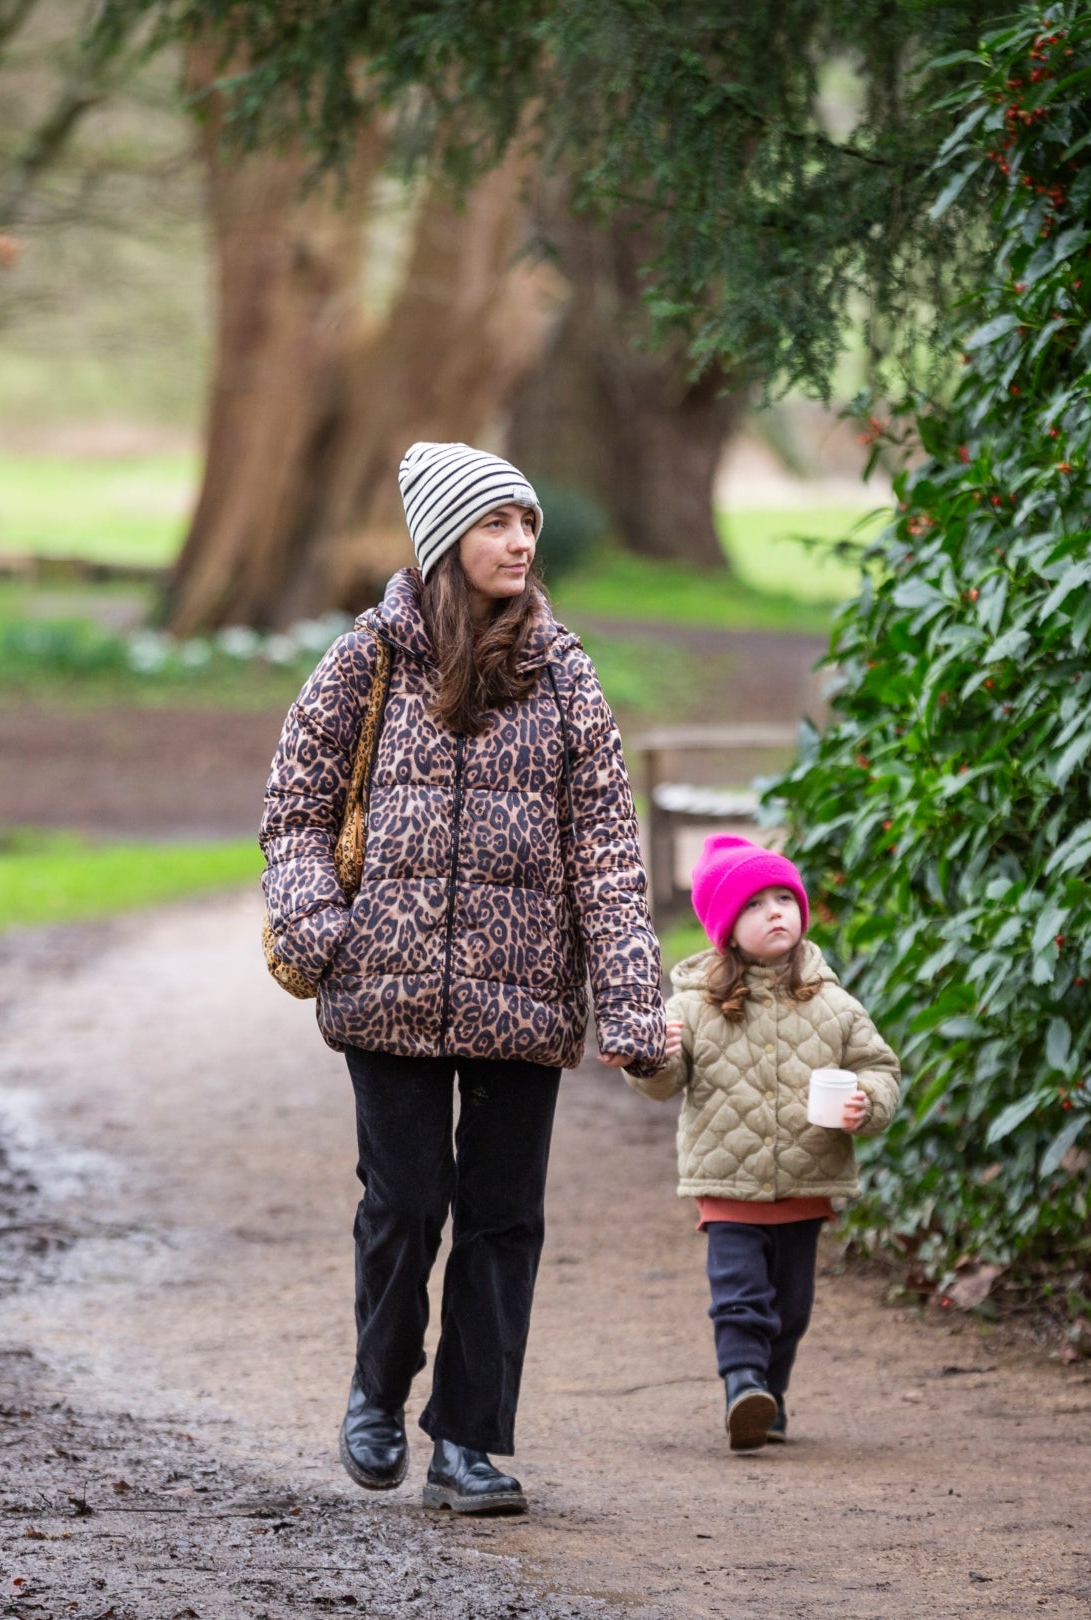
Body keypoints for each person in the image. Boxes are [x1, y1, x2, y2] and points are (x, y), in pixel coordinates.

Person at [260, 441, 668, 1516]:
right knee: (402, 1205)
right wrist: (321, 927)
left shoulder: (562, 671)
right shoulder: (368, 659)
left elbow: (608, 851)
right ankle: (374, 1389)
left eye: (527, 523)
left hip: (523, 996)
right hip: (382, 989)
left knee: (502, 1219)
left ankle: (469, 1444)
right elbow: (294, 805)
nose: (521, 542)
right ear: (446, 538)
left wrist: (629, 1001)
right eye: (497, 522)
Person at [630, 834, 901, 1451]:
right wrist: (652, 1059)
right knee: (741, 1296)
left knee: (793, 1306)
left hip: (807, 1179)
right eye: (754, 905)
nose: (775, 910)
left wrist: (867, 1100)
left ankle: (769, 1399)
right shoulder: (695, 1006)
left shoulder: (834, 1002)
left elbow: (880, 1066)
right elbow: (664, 1084)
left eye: (784, 897)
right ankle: (742, 1384)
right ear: (725, 928)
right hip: (727, 1180)